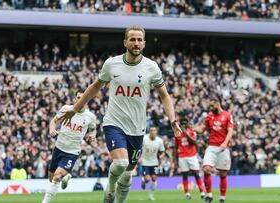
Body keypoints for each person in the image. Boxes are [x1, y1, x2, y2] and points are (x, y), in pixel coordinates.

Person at [58, 25, 182, 203]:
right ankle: (110, 185)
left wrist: (172, 119)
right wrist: (76, 107)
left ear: (144, 43)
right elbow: (95, 87)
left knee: (127, 176)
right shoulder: (112, 64)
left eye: (139, 40)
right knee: (121, 164)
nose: (136, 43)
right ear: (125, 42)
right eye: (132, 39)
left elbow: (164, 95)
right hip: (114, 123)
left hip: (137, 129)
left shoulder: (152, 68)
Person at [42, 92, 97, 203]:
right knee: (51, 178)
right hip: (58, 148)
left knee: (57, 177)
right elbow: (54, 121)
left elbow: (93, 129)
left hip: (71, 152)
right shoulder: (66, 109)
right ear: (74, 99)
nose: (78, 100)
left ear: (85, 101)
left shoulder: (90, 117)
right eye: (77, 97)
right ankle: (66, 177)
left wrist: (92, 136)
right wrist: (52, 129)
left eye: (81, 98)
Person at [195, 98, 234, 203]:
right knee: (206, 169)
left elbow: (230, 131)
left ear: (218, 104)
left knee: (223, 173)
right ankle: (209, 195)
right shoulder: (209, 116)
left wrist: (225, 143)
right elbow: (201, 130)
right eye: (210, 106)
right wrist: (191, 127)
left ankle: (222, 197)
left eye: (212, 106)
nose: (211, 108)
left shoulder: (227, 116)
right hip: (211, 147)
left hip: (223, 148)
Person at [174, 118, 205, 200]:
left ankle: (202, 192)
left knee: (196, 174)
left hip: (192, 156)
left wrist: (185, 133)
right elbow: (175, 147)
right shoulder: (177, 133)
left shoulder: (192, 131)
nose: (184, 124)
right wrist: (175, 159)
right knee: (185, 175)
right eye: (182, 123)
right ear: (180, 124)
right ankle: (187, 193)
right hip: (182, 156)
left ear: (187, 123)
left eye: (185, 122)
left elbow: (194, 142)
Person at [140, 126, 165, 201]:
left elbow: (162, 151)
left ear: (156, 132)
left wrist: (161, 155)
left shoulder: (159, 141)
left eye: (154, 131)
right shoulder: (144, 139)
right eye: (151, 130)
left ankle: (151, 194)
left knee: (154, 178)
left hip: (154, 162)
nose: (153, 132)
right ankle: (144, 181)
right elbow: (138, 147)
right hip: (145, 162)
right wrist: (139, 157)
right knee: (147, 179)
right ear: (149, 131)